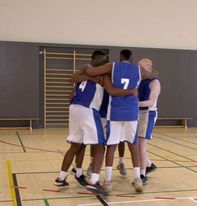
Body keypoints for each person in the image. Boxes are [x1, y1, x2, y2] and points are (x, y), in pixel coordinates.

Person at [53, 50, 136, 194]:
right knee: (100, 145)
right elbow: (110, 90)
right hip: (87, 108)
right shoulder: (101, 73)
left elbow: (72, 78)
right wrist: (130, 92)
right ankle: (94, 181)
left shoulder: (83, 70)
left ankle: (61, 178)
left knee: (76, 145)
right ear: (95, 58)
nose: (103, 63)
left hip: (75, 108)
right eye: (102, 60)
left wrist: (86, 76)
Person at [83, 49, 158, 192]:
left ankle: (108, 180)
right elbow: (153, 74)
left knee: (111, 146)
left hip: (116, 111)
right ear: (131, 58)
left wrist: (85, 69)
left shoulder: (113, 66)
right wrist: (150, 72)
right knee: (133, 145)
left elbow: (92, 72)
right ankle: (137, 179)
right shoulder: (138, 69)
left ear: (120, 57)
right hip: (131, 112)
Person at [137, 58, 160, 184]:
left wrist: (133, 103)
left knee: (141, 144)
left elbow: (150, 102)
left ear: (147, 68)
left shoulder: (155, 83)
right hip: (139, 113)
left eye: (141, 68)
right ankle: (149, 164)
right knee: (135, 144)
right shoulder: (140, 80)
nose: (138, 70)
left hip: (148, 114)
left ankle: (142, 174)